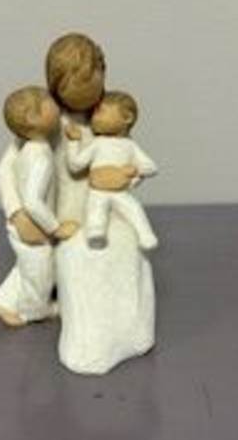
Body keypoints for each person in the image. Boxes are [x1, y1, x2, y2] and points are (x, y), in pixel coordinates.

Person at [46, 33, 157, 374]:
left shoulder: (108, 113)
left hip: (109, 205)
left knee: (124, 248)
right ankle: (70, 314)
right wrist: (28, 214)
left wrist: (128, 178)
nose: (87, 96)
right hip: (65, 214)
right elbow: (19, 167)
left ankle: (130, 329)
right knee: (74, 259)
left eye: (91, 82)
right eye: (74, 84)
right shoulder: (51, 121)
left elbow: (134, 161)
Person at [0, 86, 79, 327]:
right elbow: (32, 200)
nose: (54, 103)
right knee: (40, 272)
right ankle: (34, 310)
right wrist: (55, 228)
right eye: (48, 102)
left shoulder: (29, 147)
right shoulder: (40, 156)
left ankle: (2, 301)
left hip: (25, 225)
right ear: (33, 118)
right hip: (33, 225)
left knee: (26, 266)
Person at [64, 90, 159, 250]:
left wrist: (135, 172)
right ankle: (95, 234)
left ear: (127, 117)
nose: (94, 117)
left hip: (120, 191)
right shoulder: (97, 144)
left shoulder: (129, 146)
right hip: (97, 191)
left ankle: (145, 235)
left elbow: (151, 167)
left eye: (100, 112)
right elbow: (76, 165)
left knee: (134, 209)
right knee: (95, 211)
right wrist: (74, 142)